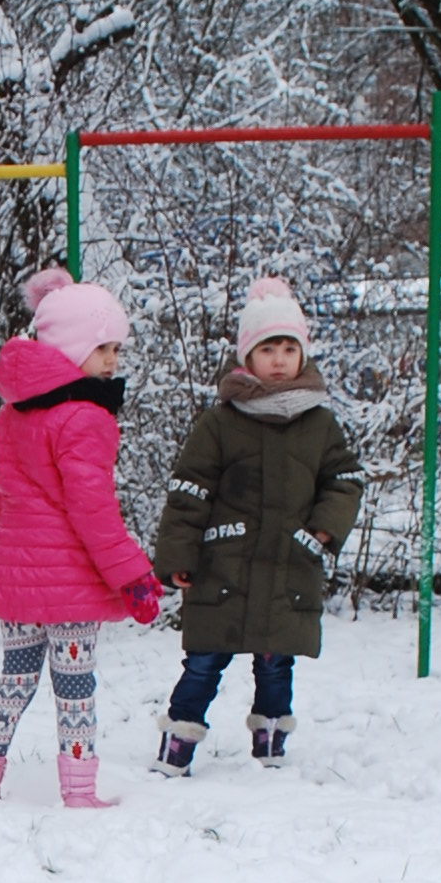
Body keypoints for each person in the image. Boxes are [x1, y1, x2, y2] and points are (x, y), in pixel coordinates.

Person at [0, 268, 161, 810]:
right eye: (102, 347)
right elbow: (92, 508)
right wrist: (132, 575)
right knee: (75, 687)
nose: (112, 360)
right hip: (69, 584)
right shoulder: (85, 417)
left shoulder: (15, 414)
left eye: (116, 348)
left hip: (17, 583)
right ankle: (79, 792)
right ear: (72, 349)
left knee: (15, 681)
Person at [149, 276, 364, 772]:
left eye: (290, 348)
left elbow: (346, 479)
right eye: (269, 348)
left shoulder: (319, 424)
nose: (280, 358)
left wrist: (324, 529)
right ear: (248, 356)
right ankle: (178, 744)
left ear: (302, 356)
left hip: (289, 564)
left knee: (275, 663)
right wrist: (179, 554)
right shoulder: (221, 423)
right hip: (224, 568)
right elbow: (189, 490)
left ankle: (270, 743)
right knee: (204, 661)